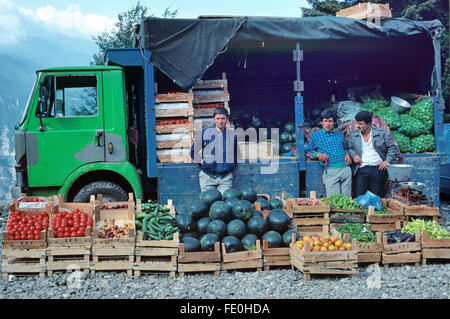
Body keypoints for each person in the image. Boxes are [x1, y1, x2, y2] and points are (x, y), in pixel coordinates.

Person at [347, 110, 399, 198]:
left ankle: (374, 211)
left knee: (376, 198)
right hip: (361, 169)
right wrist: (354, 155)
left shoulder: (381, 134)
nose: (357, 126)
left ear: (369, 124)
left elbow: (392, 147)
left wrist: (387, 161)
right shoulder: (353, 135)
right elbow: (350, 147)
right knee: (359, 198)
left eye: (361, 124)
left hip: (378, 169)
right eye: (357, 123)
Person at [190, 107, 240, 194]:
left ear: (227, 119)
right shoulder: (204, 133)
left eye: (223, 118)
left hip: (225, 178)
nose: (220, 121)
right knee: (208, 202)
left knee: (224, 204)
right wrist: (202, 161)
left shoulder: (232, 136)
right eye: (218, 118)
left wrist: (229, 166)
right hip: (207, 177)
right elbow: (193, 152)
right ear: (214, 119)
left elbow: (235, 155)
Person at [306, 109, 352, 197]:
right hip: (331, 170)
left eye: (330, 121)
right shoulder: (316, 135)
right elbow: (309, 150)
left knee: (347, 200)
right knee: (334, 201)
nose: (328, 124)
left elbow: (345, 147)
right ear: (321, 122)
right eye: (325, 121)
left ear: (334, 122)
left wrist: (347, 154)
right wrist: (318, 154)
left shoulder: (340, 134)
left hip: (345, 169)